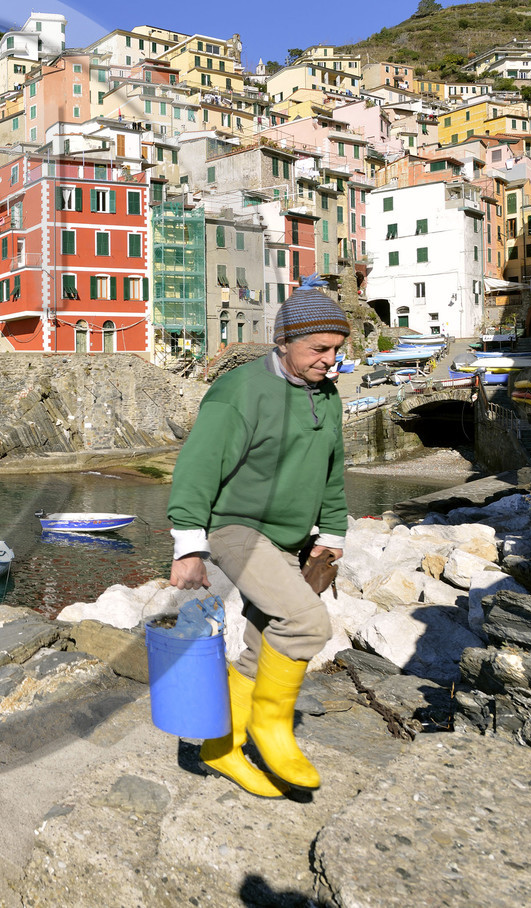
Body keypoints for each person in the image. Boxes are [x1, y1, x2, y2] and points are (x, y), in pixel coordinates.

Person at [165, 282, 350, 798]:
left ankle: (221, 749)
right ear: (285, 340)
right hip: (235, 528)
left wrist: (331, 534)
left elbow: (332, 470)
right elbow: (198, 468)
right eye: (319, 349)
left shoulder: (326, 393)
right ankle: (272, 727)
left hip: (291, 539)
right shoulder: (240, 390)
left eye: (337, 349)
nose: (330, 360)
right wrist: (189, 545)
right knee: (306, 622)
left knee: (261, 644)